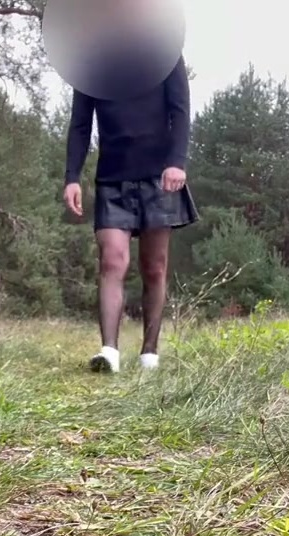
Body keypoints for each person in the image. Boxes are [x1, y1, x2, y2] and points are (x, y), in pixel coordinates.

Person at [63, 44, 197, 373]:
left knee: (154, 267)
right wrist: (72, 177)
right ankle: (109, 351)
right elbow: (80, 124)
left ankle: (149, 353)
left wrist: (177, 162)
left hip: (159, 176)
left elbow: (180, 109)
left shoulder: (164, 50)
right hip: (112, 177)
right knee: (112, 260)